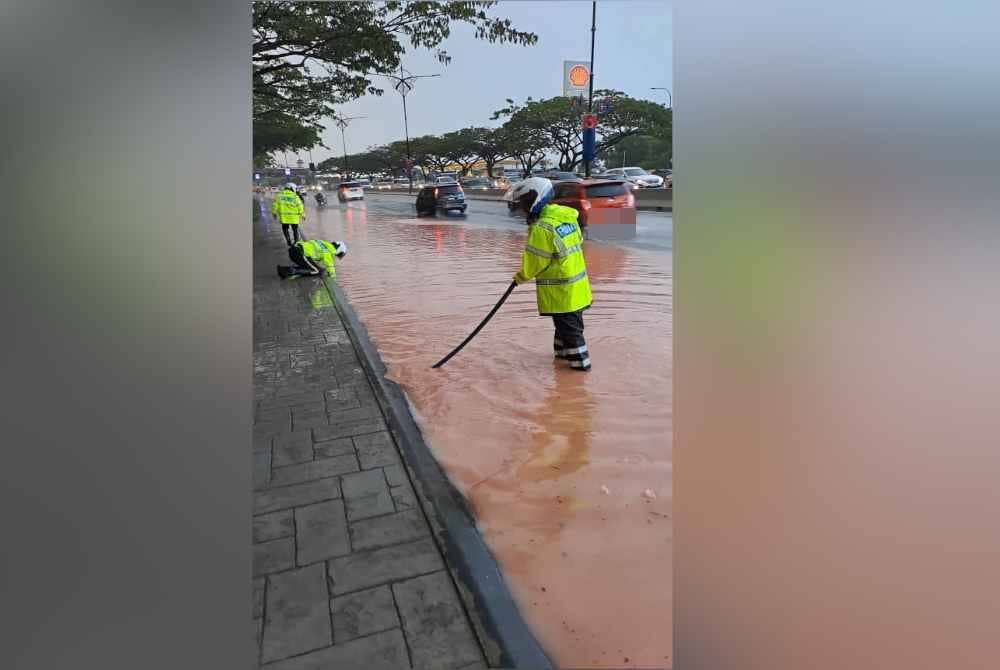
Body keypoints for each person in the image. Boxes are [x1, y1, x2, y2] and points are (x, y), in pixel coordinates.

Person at [509, 177, 593, 371]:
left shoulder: (542, 228)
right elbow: (577, 243)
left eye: (524, 202)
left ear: (535, 200)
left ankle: (581, 372)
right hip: (577, 289)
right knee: (565, 329)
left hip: (561, 293)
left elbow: (535, 262)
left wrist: (519, 278)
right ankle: (562, 364)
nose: (522, 207)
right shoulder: (566, 218)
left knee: (572, 334)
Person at [277, 239, 347, 279]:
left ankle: (283, 270)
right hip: (299, 253)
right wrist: (333, 277)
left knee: (313, 268)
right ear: (339, 249)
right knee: (317, 271)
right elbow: (330, 266)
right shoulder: (328, 251)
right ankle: (288, 271)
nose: (337, 255)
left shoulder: (324, 243)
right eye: (340, 254)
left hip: (295, 250)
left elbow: (315, 255)